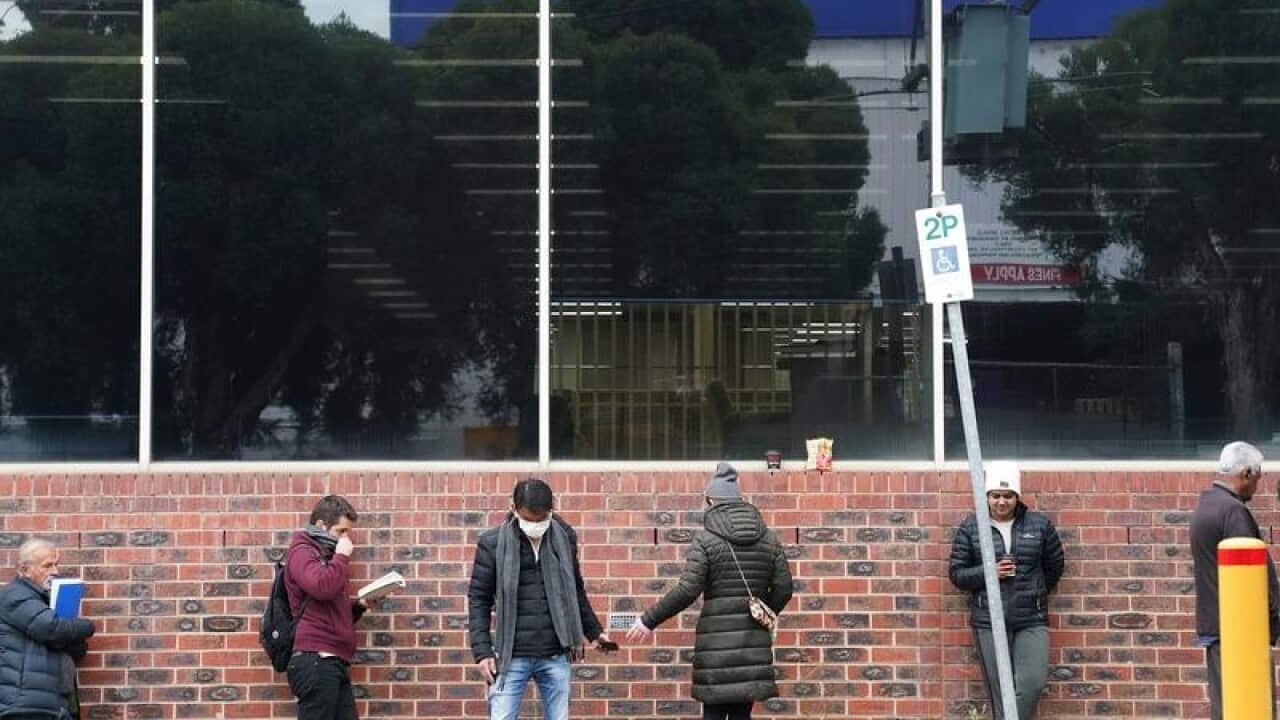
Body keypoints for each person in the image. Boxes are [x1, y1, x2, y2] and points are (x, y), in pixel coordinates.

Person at [626, 463, 794, 720]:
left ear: (711, 501)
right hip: (752, 646)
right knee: (742, 715)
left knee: (713, 714)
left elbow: (687, 589)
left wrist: (648, 620)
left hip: (715, 650)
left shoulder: (706, 540)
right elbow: (784, 587)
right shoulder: (769, 539)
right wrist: (762, 611)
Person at [467, 478, 613, 720]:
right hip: (510, 655)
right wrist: (482, 652)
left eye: (541, 519)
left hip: (555, 652)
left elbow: (574, 590)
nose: (535, 525)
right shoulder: (492, 543)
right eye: (528, 519)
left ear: (550, 510)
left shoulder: (564, 538)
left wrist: (594, 632)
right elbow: (479, 599)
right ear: (513, 508)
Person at [948, 461, 1065, 720]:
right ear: (987, 497)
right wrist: (990, 573)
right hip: (989, 620)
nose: (1002, 502)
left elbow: (1054, 566)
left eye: (1008, 496)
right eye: (996, 496)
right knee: (1001, 693)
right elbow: (957, 574)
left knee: (1031, 684)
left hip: (1031, 620)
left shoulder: (1039, 526)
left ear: (1017, 497)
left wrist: (1034, 592)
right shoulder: (971, 527)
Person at [1191, 441, 1279, 720]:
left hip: (1217, 627)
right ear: (1246, 473)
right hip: (1241, 632)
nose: (1258, 483)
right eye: (1258, 476)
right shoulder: (1233, 513)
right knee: (1251, 708)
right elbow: (1252, 576)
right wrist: (1275, 617)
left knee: (1227, 707)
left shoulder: (1206, 507)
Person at [284, 495, 374, 720]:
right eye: (341, 531)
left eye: (348, 532)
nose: (346, 538)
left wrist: (359, 607)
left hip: (333, 662)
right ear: (322, 525)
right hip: (316, 661)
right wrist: (342, 556)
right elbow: (321, 587)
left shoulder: (327, 556)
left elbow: (328, 609)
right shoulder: (303, 551)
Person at [0, 538, 95, 720]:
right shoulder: (14, 595)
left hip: (50, 706)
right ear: (24, 570)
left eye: (56, 565)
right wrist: (88, 626)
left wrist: (71, 631)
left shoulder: (44, 603)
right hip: (23, 707)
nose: (55, 572)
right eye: (47, 566)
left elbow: (77, 649)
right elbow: (51, 628)